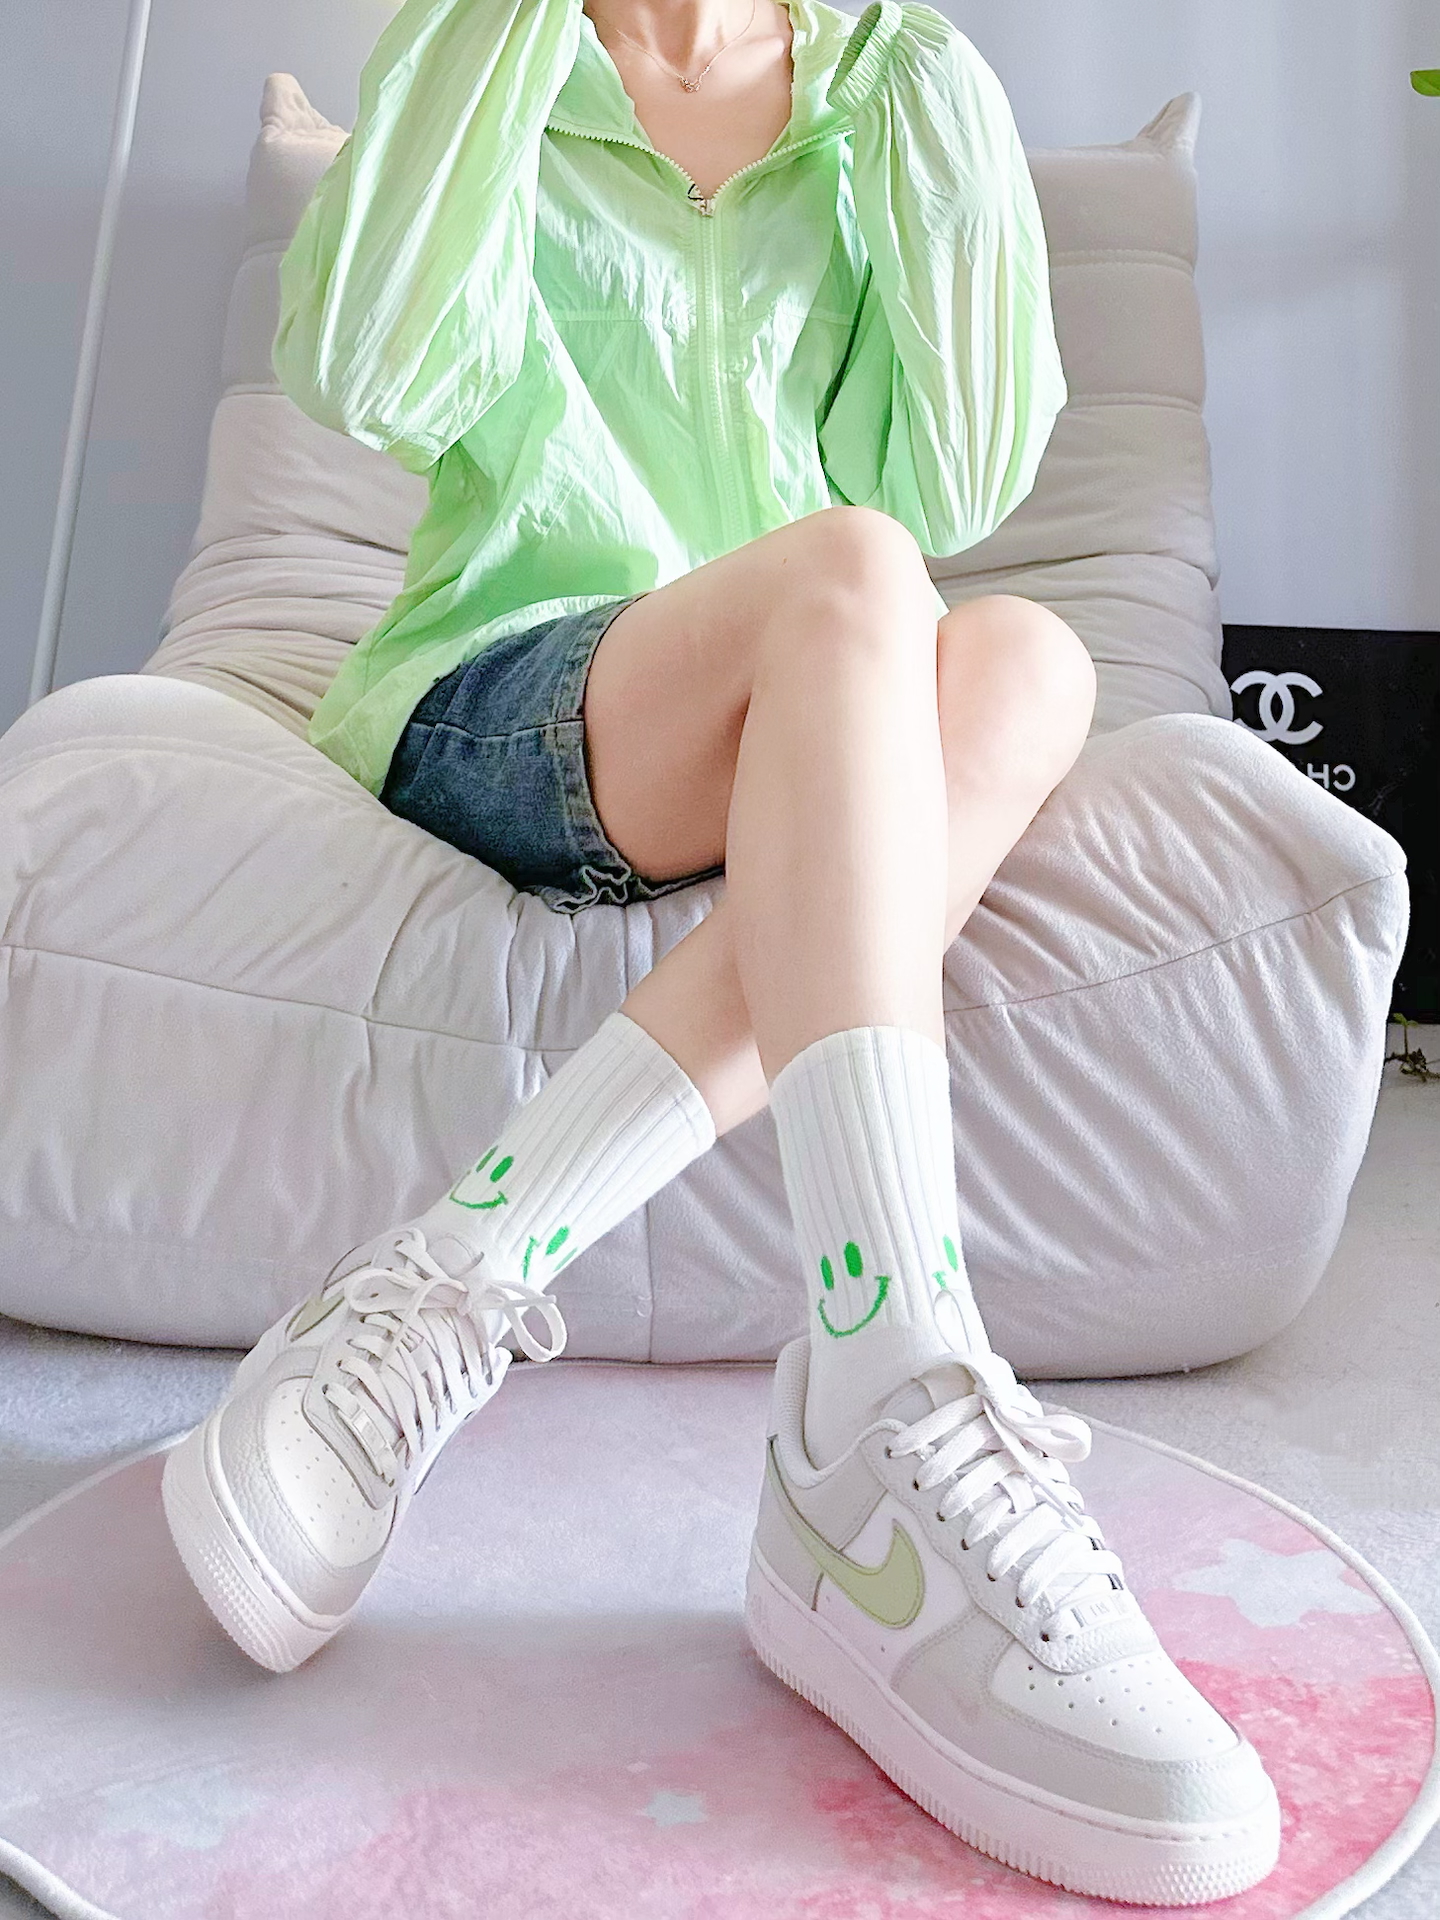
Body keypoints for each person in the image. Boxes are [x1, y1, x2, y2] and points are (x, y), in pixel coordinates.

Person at [160, 0, 1281, 1901]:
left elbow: (961, 476)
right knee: (850, 567)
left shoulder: (894, 83)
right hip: (508, 695)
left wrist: (917, 103)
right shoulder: (491, 44)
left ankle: (457, 1274)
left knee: (1029, 657)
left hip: (797, 718)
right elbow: (370, 372)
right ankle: (891, 1373)